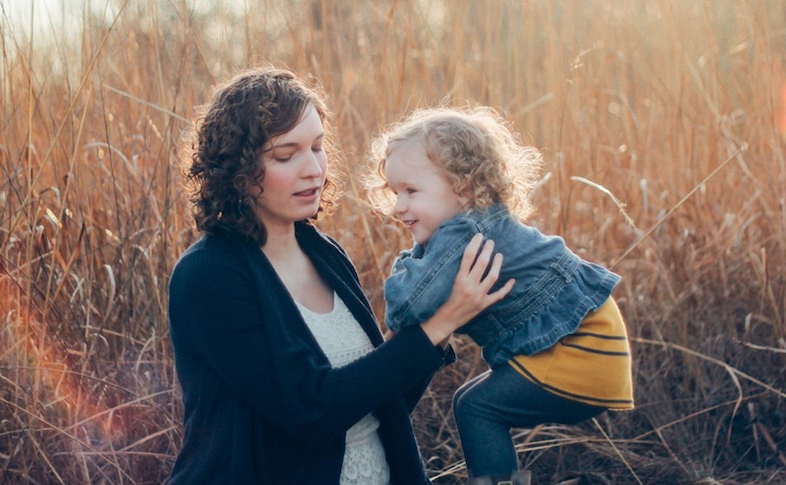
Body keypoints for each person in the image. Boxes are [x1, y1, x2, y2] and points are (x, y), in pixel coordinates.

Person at [166, 67, 515, 485]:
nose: (313, 169)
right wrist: (441, 323)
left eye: (317, 147)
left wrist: (442, 318)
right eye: (285, 154)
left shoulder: (324, 253)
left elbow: (379, 402)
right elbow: (310, 413)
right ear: (237, 169)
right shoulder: (208, 275)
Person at [366, 106, 635, 485]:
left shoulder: (462, 233)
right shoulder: (480, 223)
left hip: (581, 352)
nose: (398, 206)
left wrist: (407, 263)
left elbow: (406, 306)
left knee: (479, 408)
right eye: (394, 192)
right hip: (595, 345)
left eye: (411, 191)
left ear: (463, 185)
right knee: (467, 402)